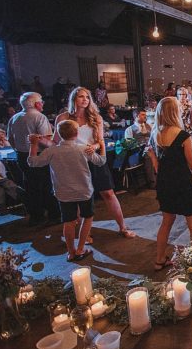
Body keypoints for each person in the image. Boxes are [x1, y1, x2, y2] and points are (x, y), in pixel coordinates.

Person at [54, 87, 136, 237]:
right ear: (74, 99)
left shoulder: (95, 117)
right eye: (80, 97)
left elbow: (100, 140)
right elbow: (56, 141)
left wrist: (95, 146)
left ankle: (122, 227)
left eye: (87, 97)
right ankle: (85, 234)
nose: (84, 99)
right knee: (80, 198)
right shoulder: (63, 117)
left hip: (93, 158)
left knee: (108, 193)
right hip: (73, 163)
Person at [28, 120, 105, 261]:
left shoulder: (52, 151)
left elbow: (32, 162)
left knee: (68, 221)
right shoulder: (83, 149)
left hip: (63, 192)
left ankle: (71, 252)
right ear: (76, 133)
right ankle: (81, 248)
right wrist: (102, 146)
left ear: (58, 133)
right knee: (87, 217)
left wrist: (33, 144)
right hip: (84, 190)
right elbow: (101, 161)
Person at [148, 96, 192, 269]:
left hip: (164, 183)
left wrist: (152, 156)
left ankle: (159, 259)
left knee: (166, 222)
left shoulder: (155, 133)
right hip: (182, 183)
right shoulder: (183, 136)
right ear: (175, 112)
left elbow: (158, 167)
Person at [7, 92, 55, 222]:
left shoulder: (14, 118)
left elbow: (10, 139)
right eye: (41, 101)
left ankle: (36, 216)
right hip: (39, 154)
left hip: (22, 155)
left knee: (30, 186)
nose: (43, 104)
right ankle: (53, 215)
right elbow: (45, 141)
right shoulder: (39, 117)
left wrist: (19, 149)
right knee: (46, 185)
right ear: (37, 103)